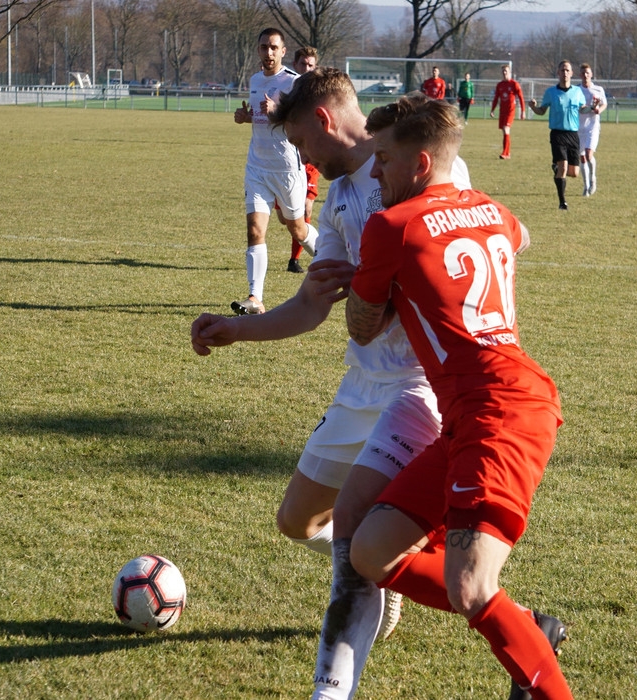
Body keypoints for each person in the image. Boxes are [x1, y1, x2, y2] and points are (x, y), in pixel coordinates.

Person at [192, 68, 483, 700]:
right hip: (361, 386)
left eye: (300, 145)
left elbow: (443, 275)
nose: (301, 160)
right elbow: (310, 306)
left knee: (351, 536)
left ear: (323, 122)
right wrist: (235, 330)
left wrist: (370, 281)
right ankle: (394, 571)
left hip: (417, 387)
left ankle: (332, 686)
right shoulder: (345, 198)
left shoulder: (414, 170)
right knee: (297, 521)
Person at [344, 93, 573, 700]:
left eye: (385, 159)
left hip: (500, 410)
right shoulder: (494, 210)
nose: (374, 172)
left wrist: (372, 281)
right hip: (477, 411)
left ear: (419, 165)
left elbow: (363, 328)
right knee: (370, 551)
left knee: (469, 587)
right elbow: (517, 237)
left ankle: (537, 662)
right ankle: (527, 628)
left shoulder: (390, 226)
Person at [231, 28, 319, 314]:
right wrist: (246, 117)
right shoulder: (255, 79)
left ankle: (333, 264)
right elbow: (260, 118)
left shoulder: (293, 83)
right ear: (257, 50)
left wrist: (278, 113)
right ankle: (255, 298)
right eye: (263, 47)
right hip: (257, 167)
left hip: (287, 169)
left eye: (273, 48)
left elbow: (304, 122)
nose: (268, 53)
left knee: (296, 228)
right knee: (255, 230)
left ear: (283, 52)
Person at [528, 60, 595, 210]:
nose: (565, 73)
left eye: (567, 70)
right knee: (563, 167)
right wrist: (533, 107)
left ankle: (556, 168)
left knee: (574, 173)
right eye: (562, 70)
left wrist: (591, 107)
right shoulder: (551, 92)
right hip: (557, 133)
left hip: (573, 135)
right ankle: (562, 202)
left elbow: (582, 109)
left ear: (571, 74)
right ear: (558, 73)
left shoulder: (577, 92)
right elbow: (541, 111)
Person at [287, 46, 321, 274]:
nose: (306, 69)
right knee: (287, 218)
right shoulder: (287, 90)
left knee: (307, 207)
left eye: (310, 65)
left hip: (311, 159)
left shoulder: (320, 92)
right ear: (295, 64)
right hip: (287, 161)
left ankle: (297, 260)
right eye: (302, 64)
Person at [577, 63, 606, 197]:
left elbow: (604, 103)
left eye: (587, 73)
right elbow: (579, 108)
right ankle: (586, 185)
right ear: (580, 75)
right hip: (578, 127)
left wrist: (599, 109)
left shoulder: (598, 89)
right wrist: (590, 108)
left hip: (592, 127)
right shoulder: (576, 90)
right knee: (581, 157)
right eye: (583, 73)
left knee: (589, 154)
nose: (585, 75)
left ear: (591, 74)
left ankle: (593, 178)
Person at [490, 65, 525, 160]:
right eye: (503, 71)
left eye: (506, 71)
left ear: (510, 72)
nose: (504, 73)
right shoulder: (500, 85)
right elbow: (496, 98)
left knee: (506, 129)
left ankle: (505, 153)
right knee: (504, 132)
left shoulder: (514, 84)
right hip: (502, 112)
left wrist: (523, 111)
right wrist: (492, 109)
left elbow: (521, 98)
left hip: (510, 111)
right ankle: (507, 153)